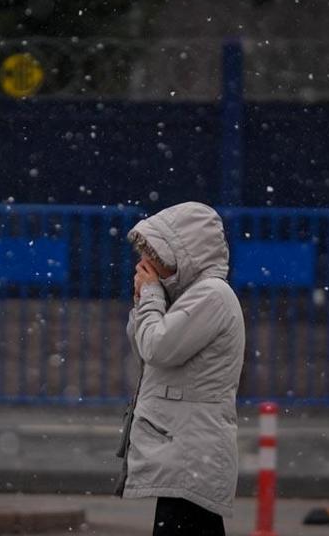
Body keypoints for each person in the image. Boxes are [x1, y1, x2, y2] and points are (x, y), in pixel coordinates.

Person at [115, 202, 245, 536]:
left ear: (185, 253)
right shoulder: (191, 295)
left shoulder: (211, 295)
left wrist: (152, 296)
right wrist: (144, 301)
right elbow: (145, 347)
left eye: (155, 254)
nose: (147, 264)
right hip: (185, 454)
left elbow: (157, 349)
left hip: (190, 454)